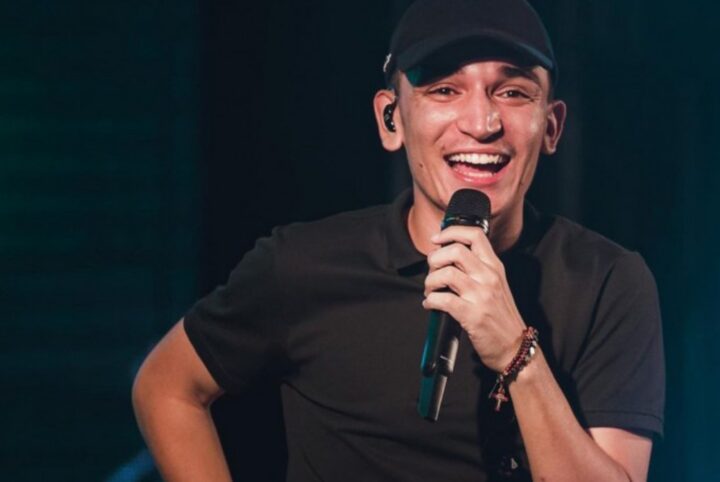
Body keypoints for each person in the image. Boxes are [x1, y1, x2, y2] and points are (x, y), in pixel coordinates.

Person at [132, 0, 665, 481]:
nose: (481, 123)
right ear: (392, 119)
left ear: (550, 128)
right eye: (444, 90)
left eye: (512, 92)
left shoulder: (607, 281)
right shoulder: (304, 265)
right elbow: (166, 387)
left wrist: (516, 353)